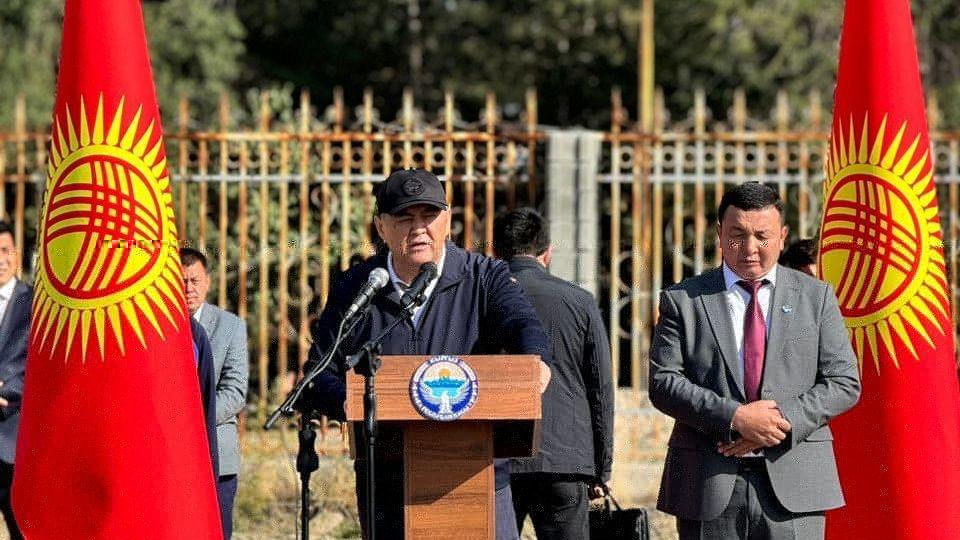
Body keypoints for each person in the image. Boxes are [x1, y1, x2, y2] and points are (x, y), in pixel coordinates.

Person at [306, 168, 549, 540]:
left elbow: (523, 325)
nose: (419, 228)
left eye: (429, 215)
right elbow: (319, 372)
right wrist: (354, 403)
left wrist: (536, 363)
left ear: (447, 221)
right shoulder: (357, 287)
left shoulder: (485, 277)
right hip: (387, 484)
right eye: (405, 218)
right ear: (381, 227)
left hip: (477, 478)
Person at [648, 182, 861, 540]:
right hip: (708, 482)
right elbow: (664, 382)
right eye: (737, 235)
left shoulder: (816, 297)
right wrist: (735, 418)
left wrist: (779, 421)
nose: (750, 248)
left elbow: (843, 381)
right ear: (719, 234)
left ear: (782, 236)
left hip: (796, 483)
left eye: (762, 236)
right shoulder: (684, 300)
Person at [493, 208, 614, 540]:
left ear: (494, 253)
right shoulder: (580, 301)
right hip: (565, 459)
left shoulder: (482, 299)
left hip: (497, 456)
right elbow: (601, 389)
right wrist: (601, 468)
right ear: (547, 253)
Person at [180, 247, 249, 540]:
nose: (189, 288)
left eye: (195, 280)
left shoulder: (230, 326)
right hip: (172, 458)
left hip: (217, 455)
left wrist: (192, 417)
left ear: (207, 282)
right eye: (182, 281)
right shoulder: (156, 329)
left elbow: (235, 391)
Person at [0, 222, 29, 540]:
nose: (0, 259)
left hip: (15, 438)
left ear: (16, 255)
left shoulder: (34, 303)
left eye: (5, 251)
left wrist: (8, 390)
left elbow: (40, 363)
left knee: (22, 528)